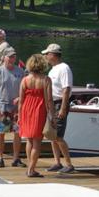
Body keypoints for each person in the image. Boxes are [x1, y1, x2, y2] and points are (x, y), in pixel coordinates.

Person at [17, 54, 54, 177]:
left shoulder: (25, 80)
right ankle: (31, 170)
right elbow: (49, 100)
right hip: (39, 110)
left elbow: (21, 100)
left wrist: (19, 116)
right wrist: (52, 116)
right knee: (37, 141)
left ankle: (30, 167)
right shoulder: (46, 80)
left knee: (29, 140)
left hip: (26, 110)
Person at [43, 43, 76, 174]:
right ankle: (57, 162)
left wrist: (63, 108)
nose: (45, 56)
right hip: (52, 104)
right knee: (52, 135)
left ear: (53, 55)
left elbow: (66, 89)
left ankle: (69, 164)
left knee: (58, 136)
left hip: (59, 103)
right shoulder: (53, 69)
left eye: (47, 54)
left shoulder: (64, 68)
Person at [0, 50, 25, 168]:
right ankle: (0, 158)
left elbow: (25, 89)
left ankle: (16, 159)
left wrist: (20, 98)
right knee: (0, 133)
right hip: (2, 108)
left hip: (17, 109)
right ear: (4, 58)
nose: (11, 59)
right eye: (9, 57)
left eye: (13, 57)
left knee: (18, 133)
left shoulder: (20, 72)